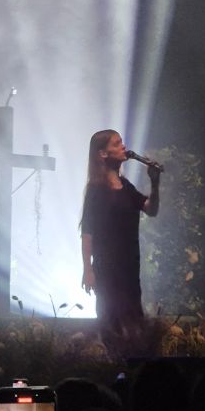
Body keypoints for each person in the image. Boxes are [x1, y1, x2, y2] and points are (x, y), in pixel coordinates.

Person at [80, 130, 160, 335]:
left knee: (134, 321)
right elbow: (87, 232)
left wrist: (155, 183)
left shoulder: (126, 187)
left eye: (121, 142)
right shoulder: (96, 190)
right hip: (107, 270)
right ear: (103, 154)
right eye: (116, 144)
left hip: (130, 268)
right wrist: (88, 270)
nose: (123, 146)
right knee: (111, 322)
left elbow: (151, 209)